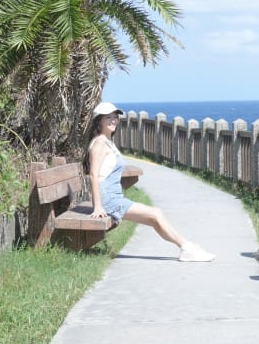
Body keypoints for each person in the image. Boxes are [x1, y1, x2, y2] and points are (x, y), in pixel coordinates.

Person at [83, 101, 215, 262]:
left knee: (154, 218)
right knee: (156, 214)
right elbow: (93, 175)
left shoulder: (107, 142)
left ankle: (186, 247)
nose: (113, 120)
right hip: (108, 199)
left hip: (112, 197)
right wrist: (98, 206)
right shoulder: (99, 144)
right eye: (108, 117)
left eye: (115, 117)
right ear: (99, 121)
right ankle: (187, 247)